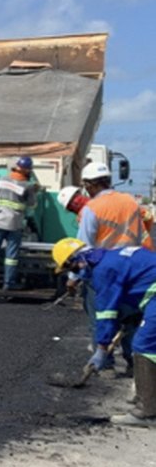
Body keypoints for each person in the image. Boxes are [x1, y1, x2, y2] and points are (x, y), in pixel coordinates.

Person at [53, 238, 156, 427]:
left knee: (144, 345)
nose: (76, 274)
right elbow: (135, 284)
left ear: (80, 260)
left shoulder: (103, 271)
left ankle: (146, 412)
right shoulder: (111, 258)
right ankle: (148, 395)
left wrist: (101, 349)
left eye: (74, 269)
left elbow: (106, 314)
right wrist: (131, 317)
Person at [68, 161, 153, 377]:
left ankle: (104, 363)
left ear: (89, 184)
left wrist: (73, 277)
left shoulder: (92, 209)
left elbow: (82, 248)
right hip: (132, 267)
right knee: (133, 319)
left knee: (102, 314)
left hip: (104, 268)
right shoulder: (130, 201)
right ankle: (135, 362)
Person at [0, 156, 38, 291]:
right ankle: (8, 284)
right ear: (28, 170)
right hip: (15, 224)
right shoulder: (27, 186)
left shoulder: (1, 180)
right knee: (11, 257)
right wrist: (35, 191)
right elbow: (32, 205)